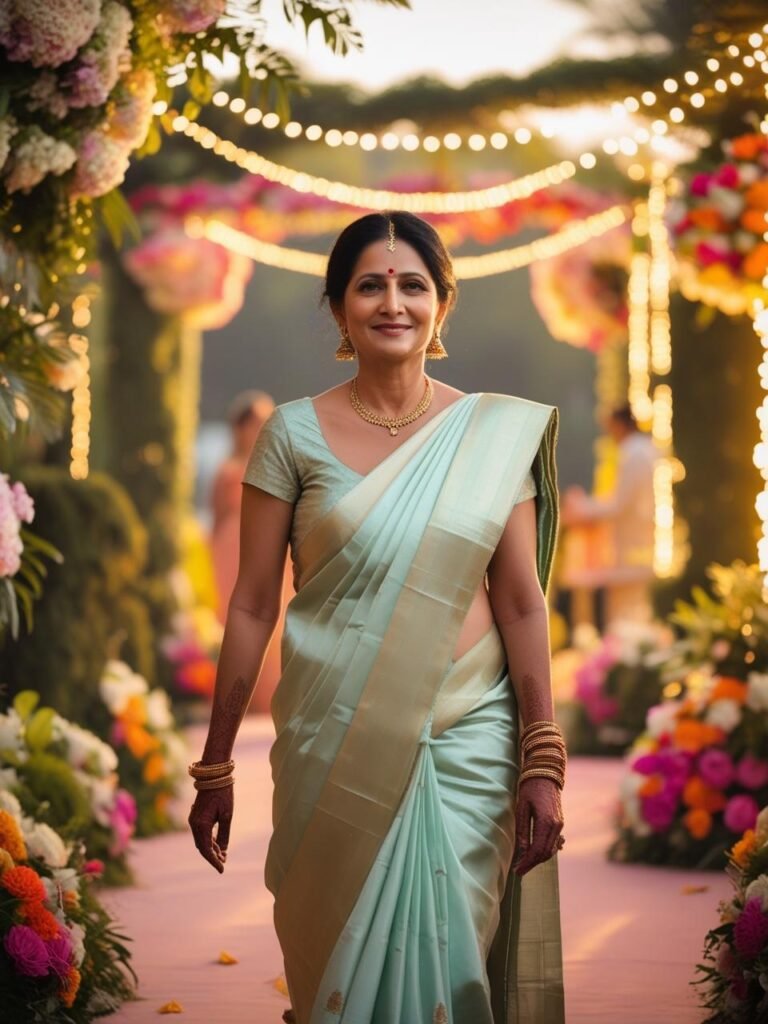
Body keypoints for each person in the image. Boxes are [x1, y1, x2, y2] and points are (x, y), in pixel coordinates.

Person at [188, 212, 566, 1024]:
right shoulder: (291, 434)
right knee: (338, 972)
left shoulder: (490, 436)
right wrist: (216, 760)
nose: (392, 302)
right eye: (370, 285)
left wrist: (543, 753)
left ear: (441, 305)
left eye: (413, 284)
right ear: (338, 308)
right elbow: (254, 603)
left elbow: (522, 601)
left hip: (467, 738)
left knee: (452, 958)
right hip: (333, 737)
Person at [209, 390, 289, 712]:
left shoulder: (278, 465)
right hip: (230, 549)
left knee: (273, 612)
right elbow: (215, 514)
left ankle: (269, 692)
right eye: (254, 423)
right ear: (240, 428)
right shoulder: (227, 469)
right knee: (235, 613)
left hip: (269, 546)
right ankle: (233, 695)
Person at [561, 406, 657, 628]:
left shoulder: (634, 453)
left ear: (620, 424)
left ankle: (629, 658)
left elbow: (619, 504)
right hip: (635, 540)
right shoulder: (643, 450)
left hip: (628, 544)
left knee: (627, 614)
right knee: (632, 608)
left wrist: (583, 509)